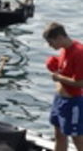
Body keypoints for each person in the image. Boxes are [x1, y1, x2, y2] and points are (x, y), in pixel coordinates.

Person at [43, 22, 83, 151]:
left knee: (77, 139)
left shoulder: (79, 52)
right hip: (59, 100)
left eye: (51, 42)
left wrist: (58, 78)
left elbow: (80, 82)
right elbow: (63, 72)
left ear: (60, 37)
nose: (50, 46)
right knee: (59, 135)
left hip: (73, 101)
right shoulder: (63, 50)